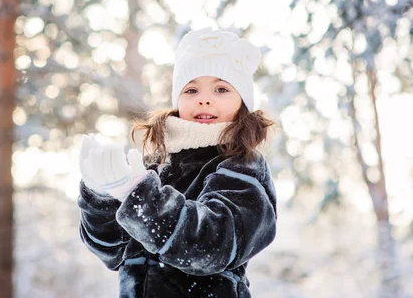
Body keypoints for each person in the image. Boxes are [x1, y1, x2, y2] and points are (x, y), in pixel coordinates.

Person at [77, 27, 277, 297]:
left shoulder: (242, 167)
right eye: (191, 89)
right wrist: (100, 197)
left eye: (221, 89)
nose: (204, 98)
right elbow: (112, 251)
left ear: (242, 102)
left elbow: (213, 245)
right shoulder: (156, 166)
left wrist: (138, 197)